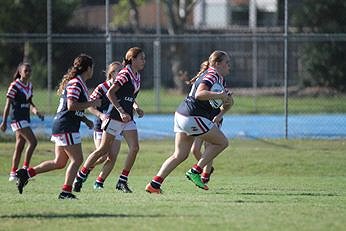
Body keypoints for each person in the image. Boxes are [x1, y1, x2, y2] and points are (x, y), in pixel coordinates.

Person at [145, 50, 234, 194]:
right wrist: (220, 95)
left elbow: (226, 101)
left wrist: (225, 104)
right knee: (222, 142)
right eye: (226, 63)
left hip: (182, 115)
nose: (229, 66)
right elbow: (200, 94)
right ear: (217, 64)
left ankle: (154, 185)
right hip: (192, 117)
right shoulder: (212, 75)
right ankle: (196, 171)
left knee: (179, 155)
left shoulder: (219, 79)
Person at [15, 54, 101, 199]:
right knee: (77, 160)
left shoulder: (79, 83)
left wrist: (85, 119)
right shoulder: (75, 83)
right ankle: (66, 192)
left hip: (63, 125)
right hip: (65, 126)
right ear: (88, 68)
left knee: (59, 162)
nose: (93, 71)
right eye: (92, 68)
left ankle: (26, 173)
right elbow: (71, 105)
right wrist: (93, 103)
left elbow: (73, 109)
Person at [73, 47, 145, 193]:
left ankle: (122, 181)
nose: (144, 61)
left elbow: (130, 97)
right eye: (142, 58)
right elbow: (111, 94)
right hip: (115, 117)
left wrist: (135, 107)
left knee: (135, 148)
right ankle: (81, 176)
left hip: (127, 118)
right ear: (133, 59)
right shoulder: (125, 73)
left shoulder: (137, 75)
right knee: (103, 150)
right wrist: (121, 111)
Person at [0, 62, 44, 182]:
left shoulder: (29, 85)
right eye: (26, 71)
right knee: (33, 142)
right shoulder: (14, 86)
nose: (28, 73)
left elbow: (29, 102)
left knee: (19, 146)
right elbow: (7, 104)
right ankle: (25, 171)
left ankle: (13, 174)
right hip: (17, 118)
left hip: (25, 118)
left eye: (30, 71)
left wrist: (36, 111)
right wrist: (4, 122)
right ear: (20, 72)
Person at [186, 60, 228, 184]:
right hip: (201, 117)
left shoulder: (219, 81)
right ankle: (206, 168)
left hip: (214, 117)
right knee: (195, 150)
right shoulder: (205, 80)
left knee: (209, 146)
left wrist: (220, 115)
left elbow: (225, 101)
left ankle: (205, 175)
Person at [86, 61, 123, 190]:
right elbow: (90, 105)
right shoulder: (102, 87)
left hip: (118, 125)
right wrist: (101, 115)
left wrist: (135, 108)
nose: (122, 73)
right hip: (101, 125)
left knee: (112, 156)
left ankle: (99, 182)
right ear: (112, 73)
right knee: (102, 155)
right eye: (119, 71)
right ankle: (86, 169)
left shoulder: (123, 87)